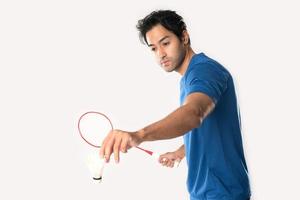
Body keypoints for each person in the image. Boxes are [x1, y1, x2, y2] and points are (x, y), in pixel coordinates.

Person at [99, 10, 251, 200]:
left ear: (184, 37)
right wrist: (181, 152)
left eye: (165, 43)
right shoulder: (188, 79)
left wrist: (139, 135)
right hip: (205, 193)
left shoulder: (205, 71)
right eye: (153, 48)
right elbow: (206, 126)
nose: (160, 54)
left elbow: (193, 114)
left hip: (223, 194)